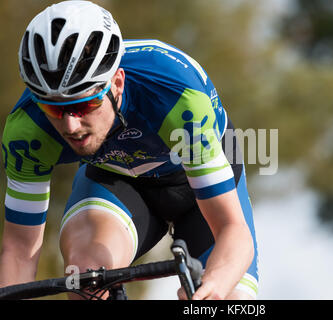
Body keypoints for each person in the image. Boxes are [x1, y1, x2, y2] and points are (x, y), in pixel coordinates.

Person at [0, 0, 259, 300]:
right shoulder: (26, 129)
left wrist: (213, 286)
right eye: (53, 108)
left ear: (117, 84)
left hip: (197, 186)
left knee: (229, 301)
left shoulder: (177, 98)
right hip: (118, 179)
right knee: (85, 276)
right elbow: (19, 251)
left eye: (84, 105)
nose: (70, 126)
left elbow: (233, 231)